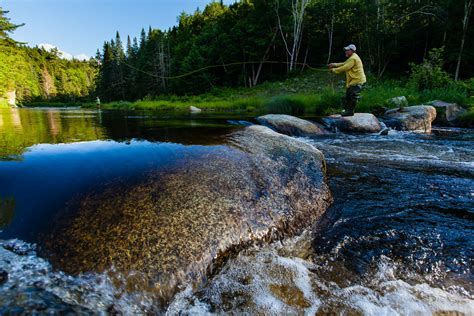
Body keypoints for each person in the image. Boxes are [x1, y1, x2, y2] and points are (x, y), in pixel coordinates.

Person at [329, 44, 366, 117]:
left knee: (352, 95)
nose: (345, 51)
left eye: (347, 50)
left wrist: (333, 70)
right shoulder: (352, 57)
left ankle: (350, 112)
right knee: (348, 96)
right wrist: (334, 64)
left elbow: (345, 67)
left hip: (357, 80)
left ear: (352, 51)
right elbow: (344, 63)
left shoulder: (353, 58)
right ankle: (347, 110)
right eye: (345, 50)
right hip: (354, 80)